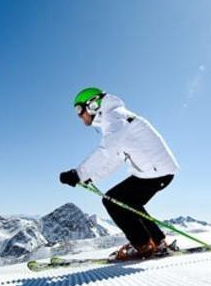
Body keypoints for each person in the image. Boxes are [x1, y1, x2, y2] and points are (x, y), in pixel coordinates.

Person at [59, 87, 179, 260]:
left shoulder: (114, 118)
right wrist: (91, 177)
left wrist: (78, 173)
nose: (79, 116)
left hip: (155, 172)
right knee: (129, 203)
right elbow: (115, 158)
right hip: (155, 171)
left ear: (92, 105)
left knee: (112, 201)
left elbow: (105, 151)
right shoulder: (116, 118)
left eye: (80, 110)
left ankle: (143, 246)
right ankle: (158, 242)